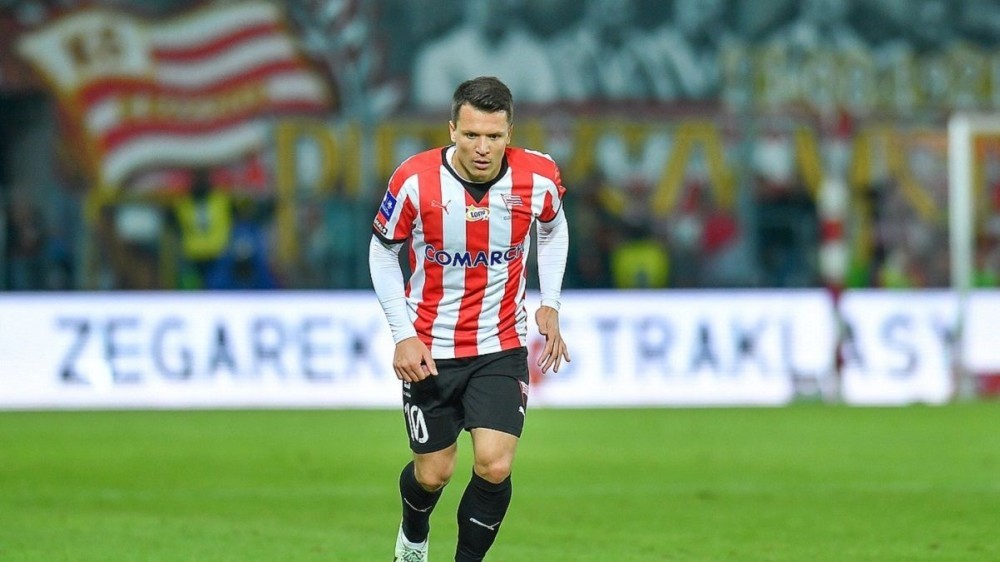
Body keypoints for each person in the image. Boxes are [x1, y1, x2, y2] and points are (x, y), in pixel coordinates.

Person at [369, 76, 570, 561]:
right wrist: (402, 335)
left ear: (509, 133)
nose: (483, 148)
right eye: (472, 135)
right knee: (433, 473)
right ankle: (413, 535)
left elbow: (553, 228)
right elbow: (383, 251)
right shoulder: (414, 180)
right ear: (452, 130)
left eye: (494, 136)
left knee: (495, 465)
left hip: (500, 344)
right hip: (430, 349)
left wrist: (551, 301)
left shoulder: (538, 177)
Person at [409, 0, 557, 110]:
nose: (494, 5)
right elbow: (434, 115)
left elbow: (545, 109)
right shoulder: (436, 57)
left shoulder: (535, 54)